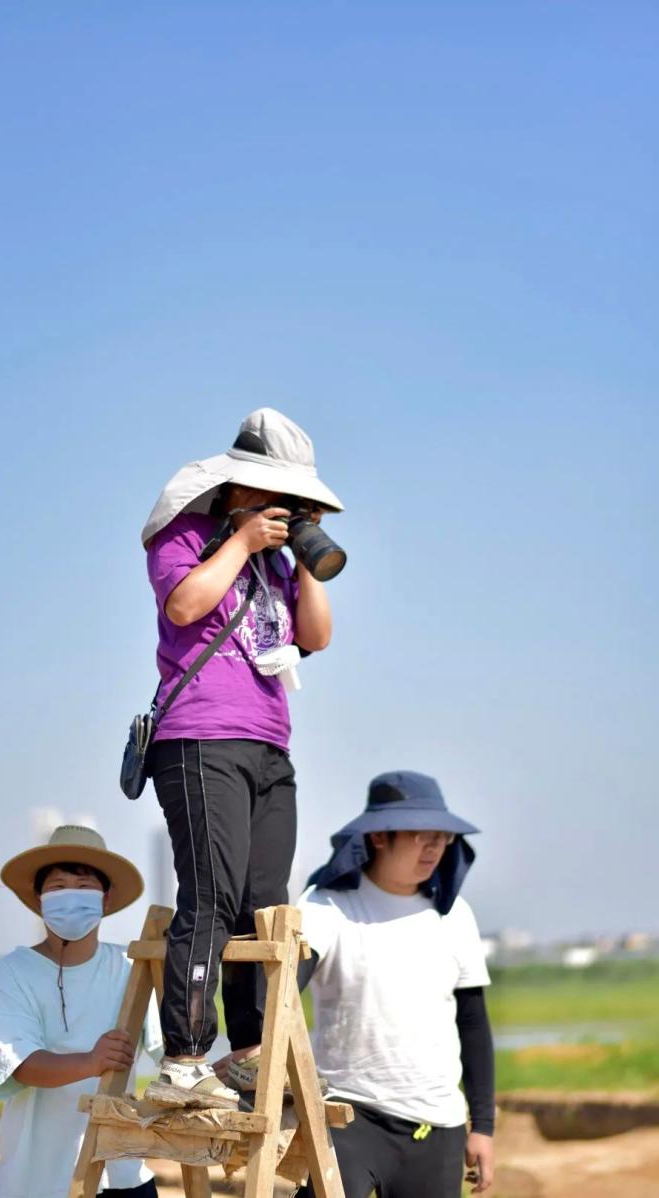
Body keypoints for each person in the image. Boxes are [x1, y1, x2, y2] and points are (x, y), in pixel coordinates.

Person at [140, 407, 344, 1107]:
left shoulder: (279, 564)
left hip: (269, 741)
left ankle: (250, 1052)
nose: (282, 510)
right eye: (271, 495)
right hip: (200, 735)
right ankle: (185, 1058)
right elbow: (185, 605)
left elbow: (315, 637)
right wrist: (241, 540)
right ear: (235, 489)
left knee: (263, 902)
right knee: (213, 891)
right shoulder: (185, 535)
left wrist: (308, 559)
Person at [295, 771, 495, 1198]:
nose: (435, 848)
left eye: (442, 837)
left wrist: (484, 1126)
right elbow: (282, 995)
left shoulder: (454, 914)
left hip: (438, 1125)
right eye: (421, 835)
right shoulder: (326, 905)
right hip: (349, 1114)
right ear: (380, 837)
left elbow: (474, 1022)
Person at [0, 825, 163, 1198]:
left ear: (106, 898)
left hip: (120, 1173)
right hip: (39, 1181)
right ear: (39, 899)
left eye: (83, 887)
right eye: (58, 887)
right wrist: (92, 1061)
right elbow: (20, 1064)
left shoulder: (132, 968)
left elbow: (171, 1057)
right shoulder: (15, 970)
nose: (70, 897)